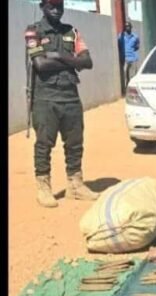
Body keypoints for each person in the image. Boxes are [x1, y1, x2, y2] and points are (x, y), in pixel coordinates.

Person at [25, 0, 98, 208]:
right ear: (42, 7)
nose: (57, 10)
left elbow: (88, 62)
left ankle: (75, 185)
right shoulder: (33, 32)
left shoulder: (72, 32)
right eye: (52, 6)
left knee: (75, 143)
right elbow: (40, 64)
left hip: (70, 96)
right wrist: (72, 60)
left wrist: (58, 56)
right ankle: (44, 187)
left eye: (60, 6)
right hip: (45, 98)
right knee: (44, 144)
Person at [118, 21, 140, 88]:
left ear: (131, 27)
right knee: (125, 77)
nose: (127, 27)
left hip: (133, 59)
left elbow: (137, 47)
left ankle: (131, 90)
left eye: (128, 26)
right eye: (126, 26)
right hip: (125, 59)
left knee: (132, 77)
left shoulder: (135, 37)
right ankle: (125, 90)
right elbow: (119, 46)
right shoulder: (121, 36)